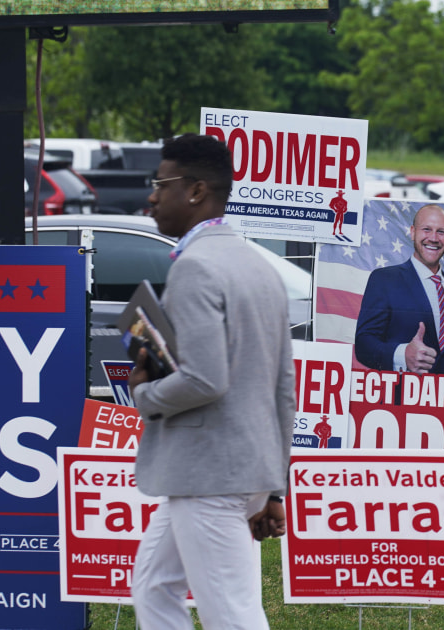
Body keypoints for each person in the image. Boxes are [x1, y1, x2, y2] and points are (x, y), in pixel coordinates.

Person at [128, 133, 295, 630]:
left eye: (162, 184)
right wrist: (273, 488)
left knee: (235, 615)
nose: (152, 196)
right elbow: (283, 388)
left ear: (197, 191)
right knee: (154, 587)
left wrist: (146, 395)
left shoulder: (197, 267)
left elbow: (204, 379)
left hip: (210, 476)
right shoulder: (258, 265)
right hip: (234, 473)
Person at [355, 204, 444, 383]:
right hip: (402, 400)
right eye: (426, 229)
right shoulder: (385, 279)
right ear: (412, 232)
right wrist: (402, 355)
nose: (433, 238)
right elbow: (364, 345)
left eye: (441, 231)